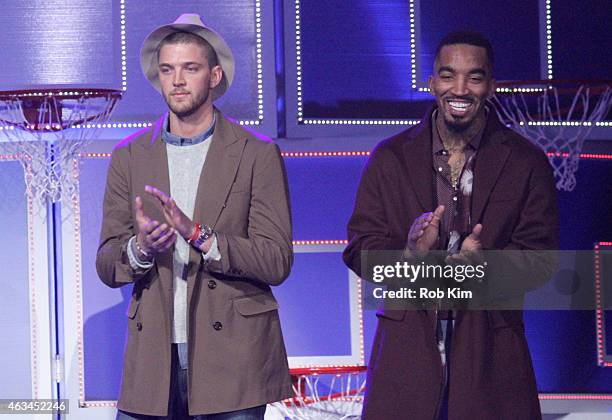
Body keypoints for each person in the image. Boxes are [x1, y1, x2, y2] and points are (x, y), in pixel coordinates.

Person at [343, 31, 558, 419]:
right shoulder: (390, 157)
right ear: (432, 83)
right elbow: (360, 251)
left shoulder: (527, 162)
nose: (460, 88)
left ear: (490, 86)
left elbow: (541, 259)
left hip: (492, 353)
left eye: (474, 78)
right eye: (448, 75)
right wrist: (409, 255)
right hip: (407, 352)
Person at [96, 13, 293, 419]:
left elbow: (276, 260)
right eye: (167, 69)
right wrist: (140, 249)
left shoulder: (256, 153)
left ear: (215, 75)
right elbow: (106, 261)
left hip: (234, 358)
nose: (177, 80)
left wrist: (202, 235)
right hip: (153, 360)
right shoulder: (130, 157)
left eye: (190, 68)